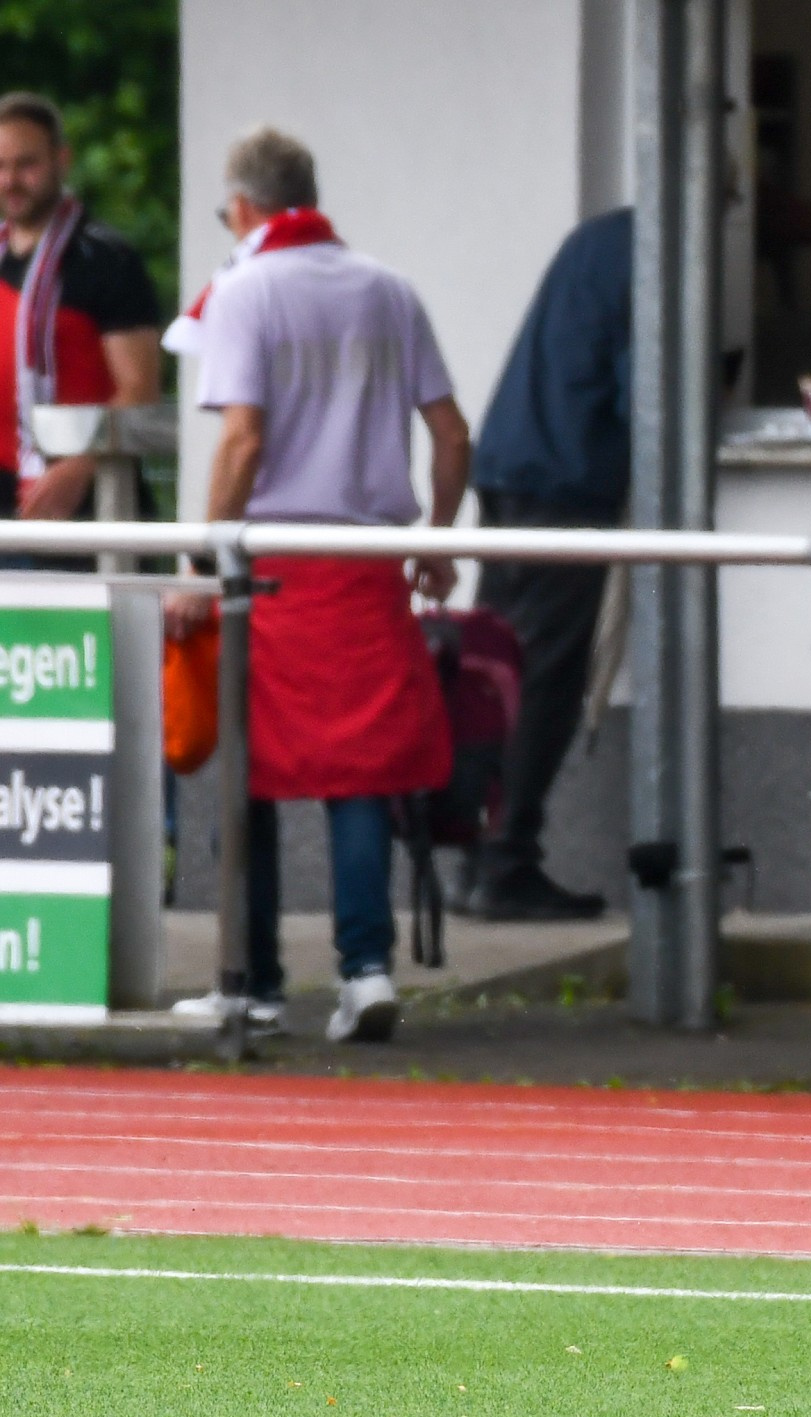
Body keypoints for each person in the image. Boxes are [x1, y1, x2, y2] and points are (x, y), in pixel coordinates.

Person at [164, 128, 465, 1044]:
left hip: (274, 571)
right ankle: (365, 972)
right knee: (358, 776)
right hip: (367, 567)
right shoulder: (389, 289)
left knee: (249, 778)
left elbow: (243, 439)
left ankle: (252, 982)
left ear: (243, 207)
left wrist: (203, 565)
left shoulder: (245, 291)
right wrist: (437, 539)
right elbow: (451, 433)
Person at [463, 206, 632, 921]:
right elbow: (648, 395)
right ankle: (504, 862)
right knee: (544, 679)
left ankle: (473, 852)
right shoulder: (656, 256)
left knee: (497, 673)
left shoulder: (599, 237)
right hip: (566, 481)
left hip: (510, 464)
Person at [0, 92, 161, 524]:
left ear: (62, 160)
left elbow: (140, 390)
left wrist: (81, 464)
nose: (10, 180)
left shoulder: (105, 259)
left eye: (26, 164)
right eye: (0, 166)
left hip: (86, 499)